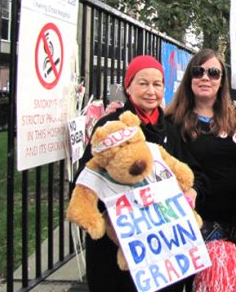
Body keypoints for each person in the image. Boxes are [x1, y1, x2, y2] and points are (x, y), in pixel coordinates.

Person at [75, 55, 202, 292]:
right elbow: (86, 177)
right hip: (116, 247)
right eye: (143, 83)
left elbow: (192, 172)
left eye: (157, 84)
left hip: (162, 250)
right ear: (128, 86)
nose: (151, 91)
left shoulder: (171, 131)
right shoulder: (109, 126)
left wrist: (193, 191)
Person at [164, 48, 236, 285]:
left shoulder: (235, 114)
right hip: (199, 224)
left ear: (221, 81)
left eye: (213, 73)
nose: (205, 78)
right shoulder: (173, 121)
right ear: (189, 78)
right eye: (198, 71)